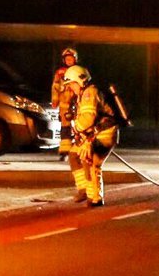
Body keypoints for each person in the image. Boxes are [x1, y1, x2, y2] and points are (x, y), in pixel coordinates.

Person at [64, 65, 119, 206]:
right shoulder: (83, 94)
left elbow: (88, 118)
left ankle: (95, 197)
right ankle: (83, 189)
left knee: (90, 161)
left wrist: (76, 127)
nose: (71, 87)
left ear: (80, 81)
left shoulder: (90, 93)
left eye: (72, 84)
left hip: (104, 134)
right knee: (74, 154)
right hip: (93, 134)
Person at [51, 47, 79, 160]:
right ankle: (64, 152)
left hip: (78, 104)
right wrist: (55, 100)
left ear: (75, 59)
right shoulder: (60, 72)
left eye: (70, 59)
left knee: (80, 128)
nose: (69, 61)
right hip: (65, 104)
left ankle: (78, 150)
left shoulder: (79, 71)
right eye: (67, 59)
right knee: (65, 129)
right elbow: (55, 87)